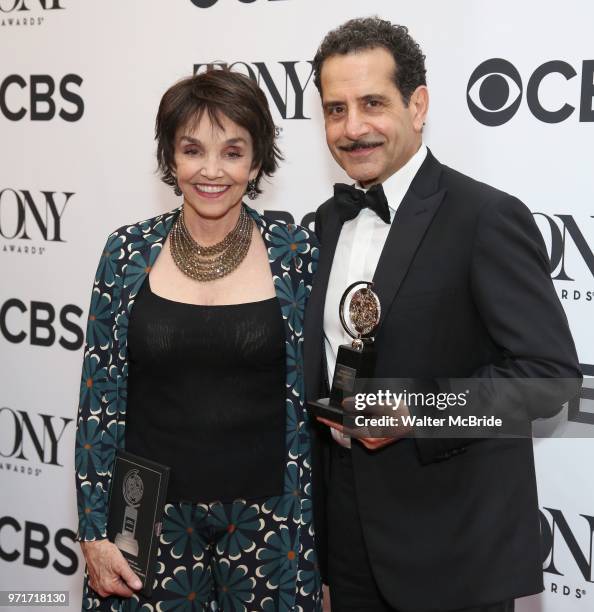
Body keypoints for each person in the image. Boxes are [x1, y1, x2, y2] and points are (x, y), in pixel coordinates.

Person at [303, 17, 582, 612]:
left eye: (372, 103)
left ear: (418, 104)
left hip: (452, 544)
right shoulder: (326, 224)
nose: (353, 128)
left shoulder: (485, 217)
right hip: (347, 537)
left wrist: (419, 410)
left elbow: (549, 377)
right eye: (335, 109)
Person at [75, 69, 322, 611]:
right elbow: (99, 398)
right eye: (192, 150)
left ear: (256, 162)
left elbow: (316, 400)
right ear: (171, 158)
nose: (211, 171)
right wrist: (95, 530)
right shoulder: (126, 253)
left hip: (271, 523)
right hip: (142, 520)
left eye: (233, 152)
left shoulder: (295, 253)